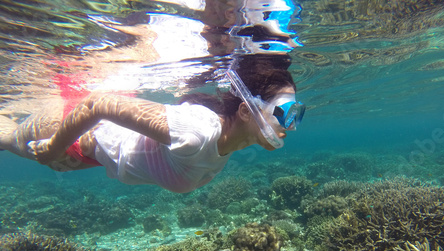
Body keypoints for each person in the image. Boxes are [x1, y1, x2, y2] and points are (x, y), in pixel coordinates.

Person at [0, 55, 305, 193]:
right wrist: (55, 148)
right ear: (244, 110)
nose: (290, 125)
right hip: (67, 133)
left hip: (89, 153)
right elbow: (99, 104)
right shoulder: (198, 130)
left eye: (296, 114)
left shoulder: (230, 142)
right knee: (5, 135)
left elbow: (140, 160)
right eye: (283, 111)